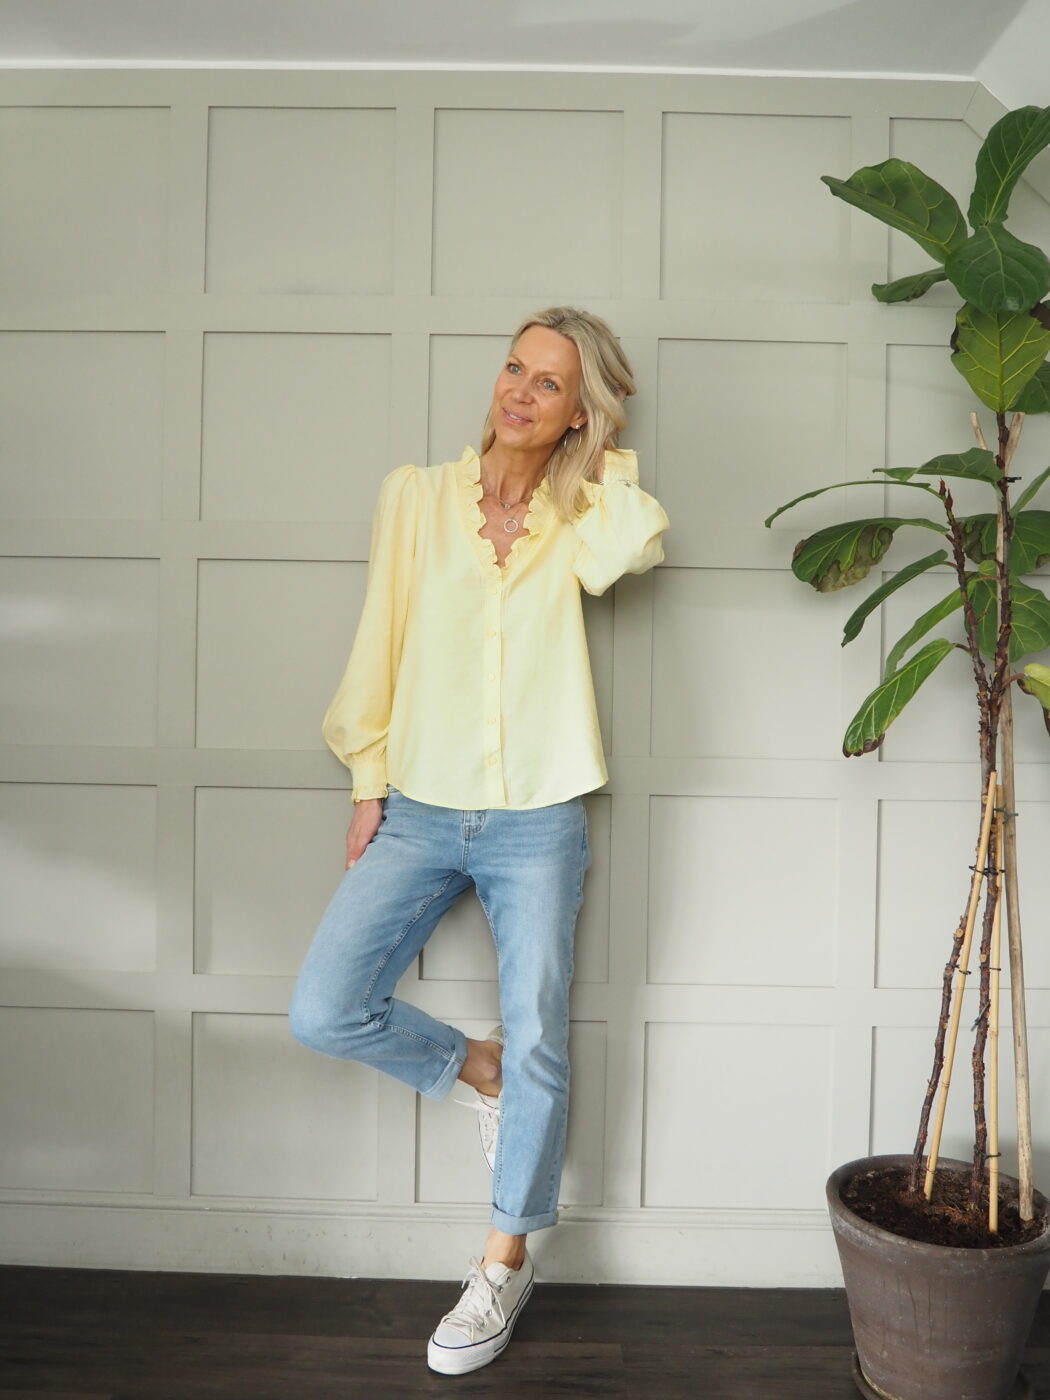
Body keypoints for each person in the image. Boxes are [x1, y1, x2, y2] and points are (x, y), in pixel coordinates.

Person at [289, 305, 669, 1375]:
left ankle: (503, 1262)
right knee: (325, 1006)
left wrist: (603, 446)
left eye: (550, 384)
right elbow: (380, 638)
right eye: (514, 368)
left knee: (543, 1028)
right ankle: (478, 1070)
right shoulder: (414, 497)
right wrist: (367, 780)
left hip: (539, 813)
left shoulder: (579, 514)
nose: (519, 392)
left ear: (577, 412)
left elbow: (634, 547)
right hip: (419, 802)